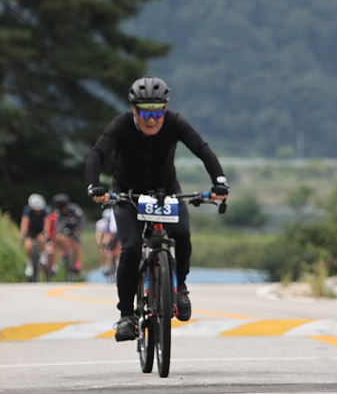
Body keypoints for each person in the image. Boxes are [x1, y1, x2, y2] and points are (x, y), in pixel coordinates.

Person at [85, 76, 229, 341]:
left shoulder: (174, 122)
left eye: (157, 112)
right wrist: (95, 186)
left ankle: (180, 287)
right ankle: (127, 315)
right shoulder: (121, 124)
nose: (151, 120)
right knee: (130, 248)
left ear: (166, 109)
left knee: (182, 233)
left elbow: (201, 149)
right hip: (129, 194)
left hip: (166, 191)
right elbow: (97, 154)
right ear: (133, 110)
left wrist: (219, 181)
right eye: (144, 113)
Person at [50, 193, 85, 278]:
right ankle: (64, 252)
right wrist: (58, 232)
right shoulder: (59, 212)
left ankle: (78, 263)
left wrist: (78, 229)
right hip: (65, 227)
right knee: (59, 238)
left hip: (75, 227)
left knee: (76, 243)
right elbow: (58, 223)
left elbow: (82, 219)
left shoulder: (74, 209)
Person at [19, 192, 51, 279]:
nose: (38, 212)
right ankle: (29, 263)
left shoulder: (45, 211)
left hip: (41, 230)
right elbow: (24, 222)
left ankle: (43, 257)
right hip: (31, 230)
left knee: (41, 239)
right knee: (28, 245)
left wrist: (46, 232)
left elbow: (47, 223)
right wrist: (23, 234)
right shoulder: (28, 210)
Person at [95, 203, 121, 278]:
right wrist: (101, 244)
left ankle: (118, 266)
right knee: (104, 251)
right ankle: (104, 266)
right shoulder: (101, 224)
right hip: (107, 237)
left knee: (119, 250)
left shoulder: (117, 222)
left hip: (116, 236)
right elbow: (99, 235)